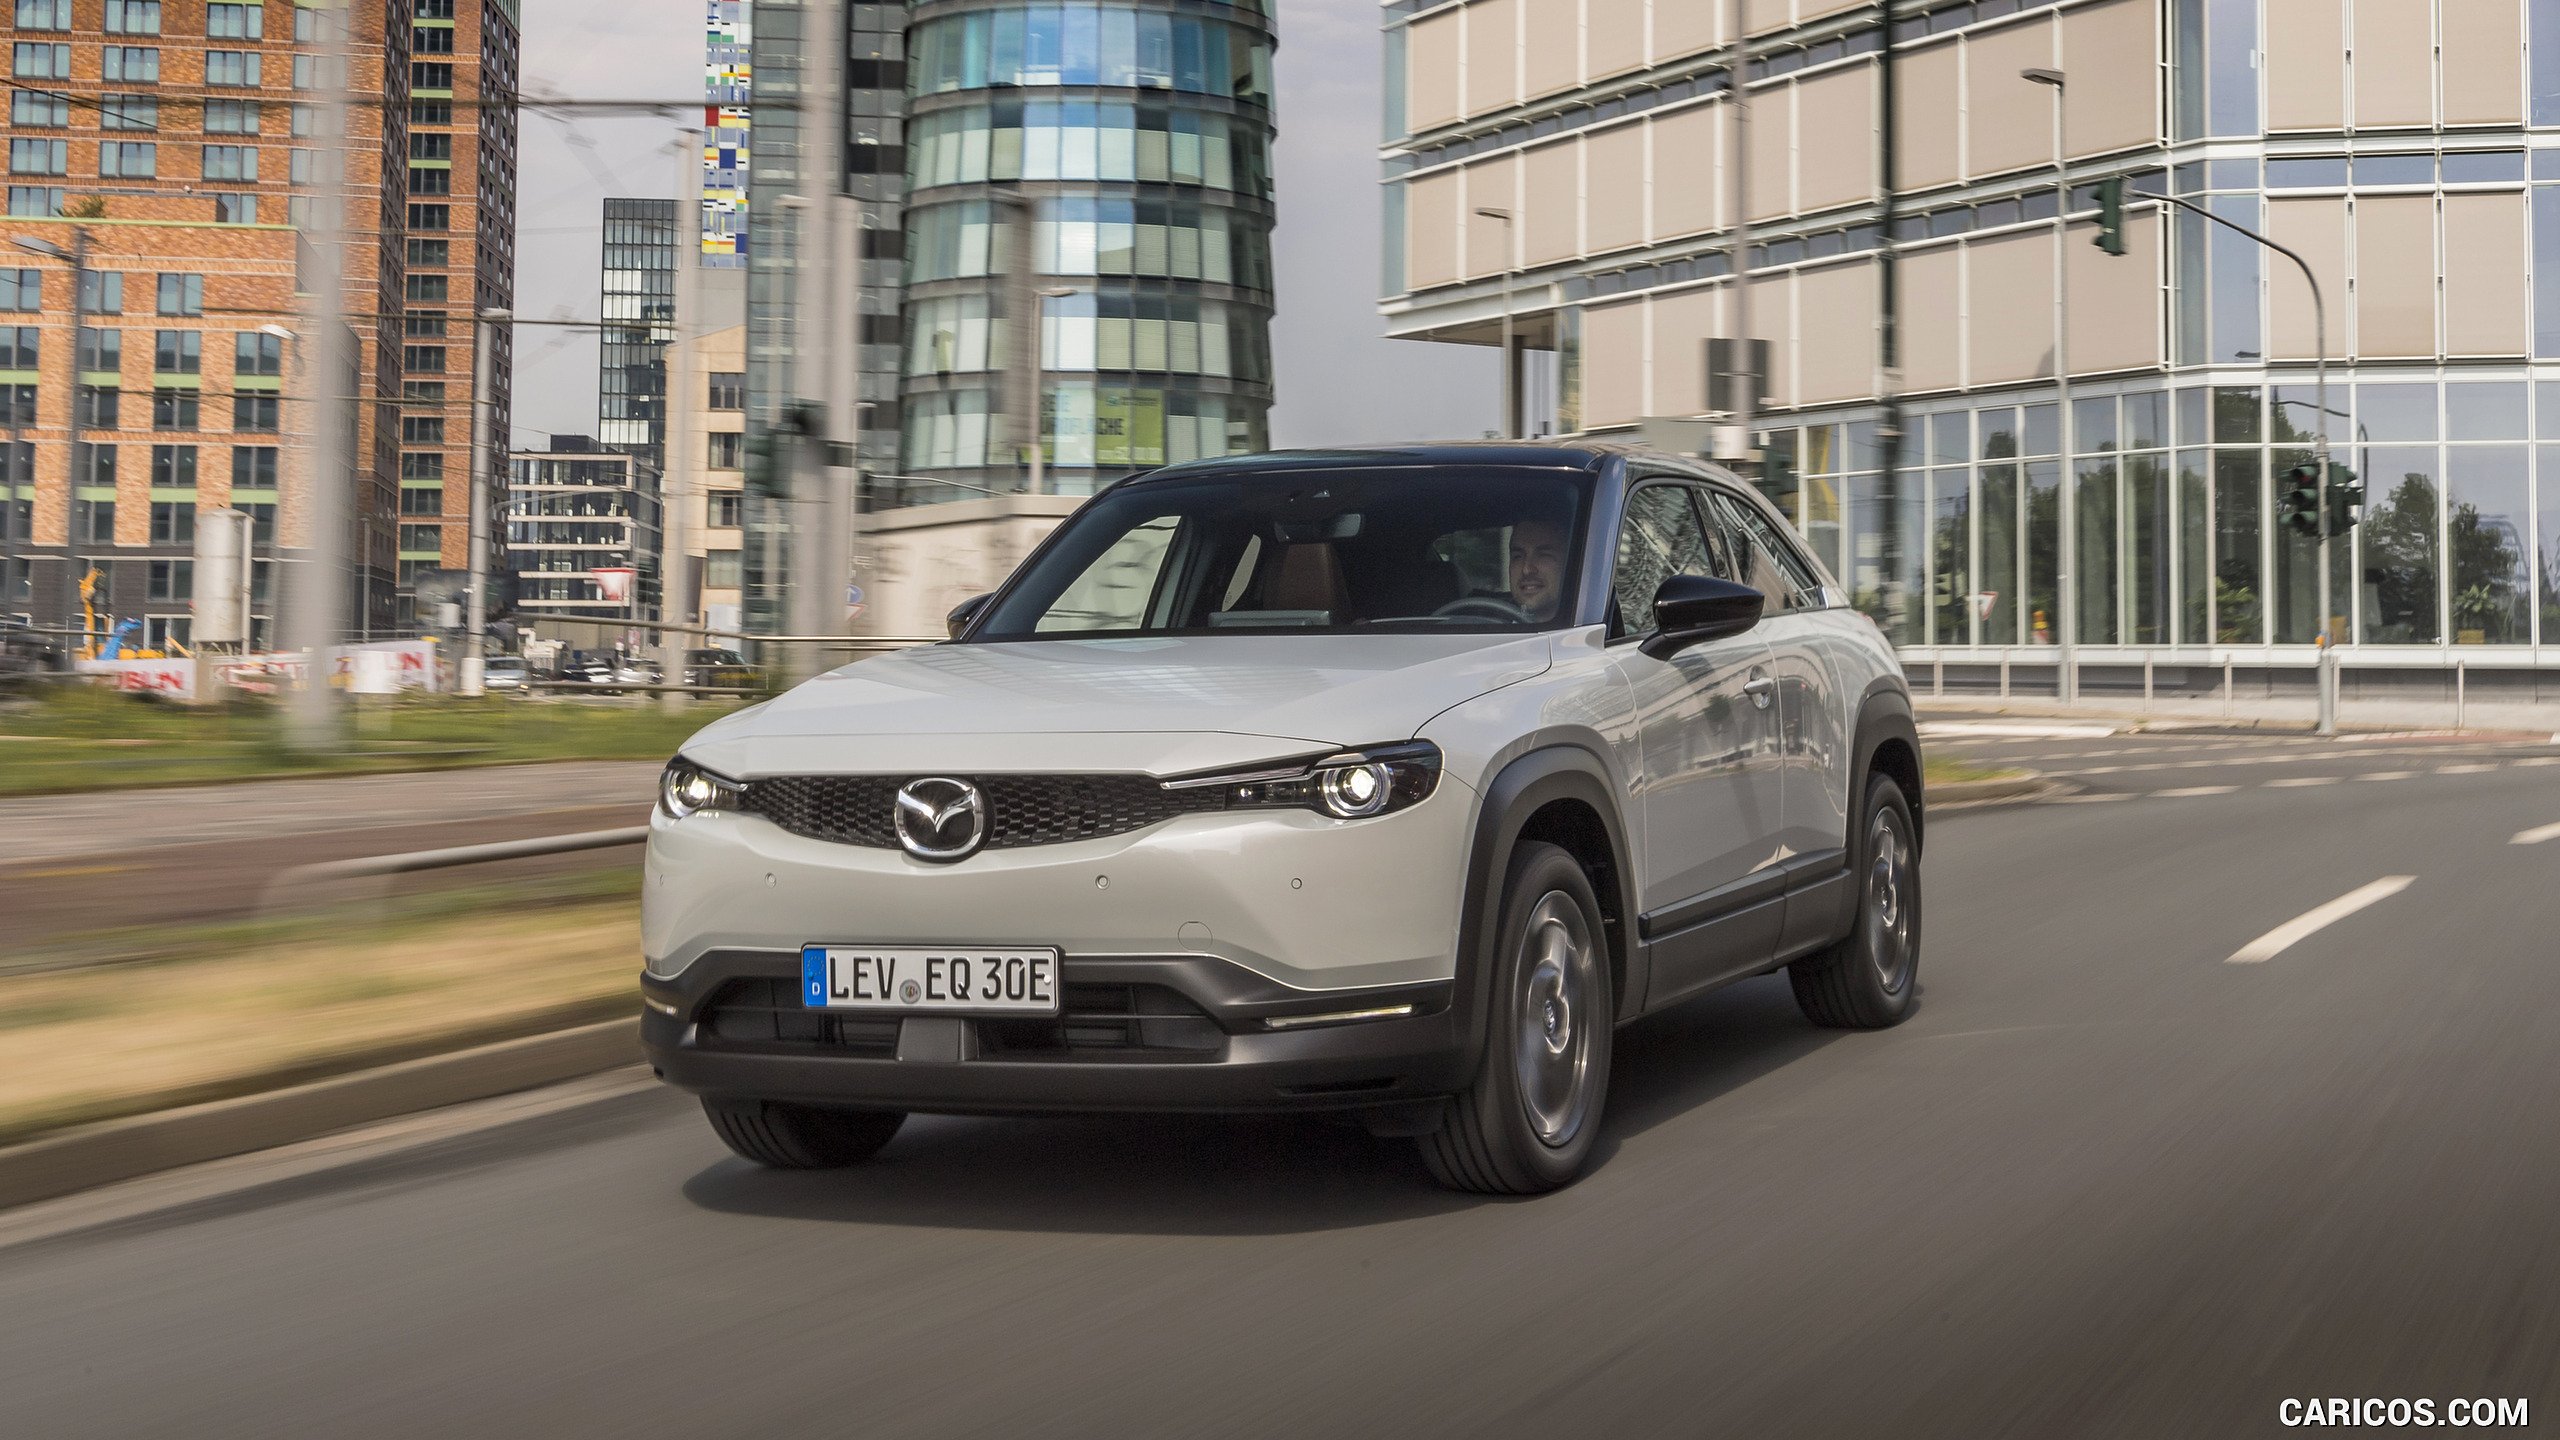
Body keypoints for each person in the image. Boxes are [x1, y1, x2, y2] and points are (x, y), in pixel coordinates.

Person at [1508, 516, 1570, 623]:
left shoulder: (1586, 630)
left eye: (1544, 555)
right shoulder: (1487, 623)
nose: (1527, 569)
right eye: (1518, 556)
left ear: (1569, 562)